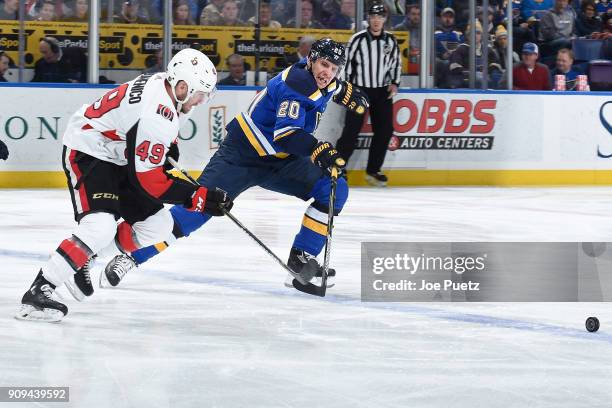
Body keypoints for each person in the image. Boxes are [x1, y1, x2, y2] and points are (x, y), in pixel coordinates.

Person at [100, 38, 369, 292]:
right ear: (310, 60)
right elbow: (286, 135)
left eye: (334, 69)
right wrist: (317, 149)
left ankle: (300, 261)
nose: (328, 73)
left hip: (281, 161)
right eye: (324, 65)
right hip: (241, 156)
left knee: (333, 190)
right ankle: (131, 256)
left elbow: (331, 87)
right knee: (196, 210)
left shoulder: (326, 81)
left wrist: (344, 90)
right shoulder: (297, 84)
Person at [15, 48, 231, 322]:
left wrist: (168, 150)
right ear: (183, 86)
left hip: (119, 154)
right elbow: (150, 181)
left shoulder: (167, 87)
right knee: (100, 226)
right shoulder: (158, 112)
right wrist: (197, 197)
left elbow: (151, 142)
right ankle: (39, 290)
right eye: (201, 93)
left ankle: (87, 258)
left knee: (158, 227)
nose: (202, 101)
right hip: (89, 150)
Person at [336, 3, 400, 187]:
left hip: (382, 91)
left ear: (384, 19)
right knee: (351, 131)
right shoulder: (358, 39)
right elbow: (346, 64)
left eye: (380, 17)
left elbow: (396, 64)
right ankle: (338, 167)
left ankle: (373, 171)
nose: (376, 20)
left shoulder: (391, 41)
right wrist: (346, 88)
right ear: (369, 18)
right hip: (359, 90)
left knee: (385, 131)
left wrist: (395, 82)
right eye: (373, 17)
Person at [448, 20, 503, 89]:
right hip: (466, 81)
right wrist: (472, 73)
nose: (475, 35)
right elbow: (455, 68)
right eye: (472, 33)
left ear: (481, 35)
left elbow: (495, 65)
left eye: (478, 33)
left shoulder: (488, 49)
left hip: (486, 79)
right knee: (478, 78)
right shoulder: (460, 49)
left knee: (497, 76)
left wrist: (487, 72)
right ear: (468, 35)